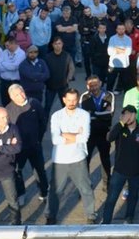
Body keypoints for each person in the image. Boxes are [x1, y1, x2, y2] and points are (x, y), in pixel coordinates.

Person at [45, 88, 95, 225]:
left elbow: (85, 137)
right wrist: (75, 135)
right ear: (64, 100)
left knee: (85, 189)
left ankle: (91, 215)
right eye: (69, 100)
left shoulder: (84, 115)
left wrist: (64, 134)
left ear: (77, 100)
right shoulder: (56, 116)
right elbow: (55, 140)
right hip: (60, 160)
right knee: (55, 191)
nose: (72, 103)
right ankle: (50, 216)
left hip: (78, 158)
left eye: (74, 100)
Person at [100, 105, 139, 224]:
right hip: (119, 171)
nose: (127, 117)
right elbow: (109, 138)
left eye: (130, 114)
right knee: (111, 198)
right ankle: (106, 222)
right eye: (125, 114)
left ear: (135, 115)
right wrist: (121, 123)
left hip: (135, 172)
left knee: (133, 197)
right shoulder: (119, 129)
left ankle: (129, 217)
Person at [5, 84, 49, 205]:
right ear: (11, 97)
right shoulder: (8, 110)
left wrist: (39, 138)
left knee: (40, 170)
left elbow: (42, 122)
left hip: (35, 145)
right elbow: (7, 130)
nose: (21, 96)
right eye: (17, 95)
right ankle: (21, 194)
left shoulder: (34, 103)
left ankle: (44, 193)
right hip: (19, 149)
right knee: (17, 171)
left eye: (22, 92)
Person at [80, 75, 114, 188]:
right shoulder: (84, 97)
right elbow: (83, 116)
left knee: (105, 160)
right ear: (87, 86)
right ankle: (86, 186)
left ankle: (107, 184)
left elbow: (110, 115)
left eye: (95, 85)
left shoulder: (110, 95)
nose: (94, 87)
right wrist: (101, 114)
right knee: (86, 161)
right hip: (89, 134)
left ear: (100, 83)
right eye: (91, 86)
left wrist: (93, 113)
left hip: (104, 133)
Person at [43, 37, 74, 117]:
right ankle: (43, 126)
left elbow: (71, 69)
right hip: (50, 87)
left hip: (63, 86)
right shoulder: (48, 57)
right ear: (53, 45)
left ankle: (67, 125)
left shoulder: (67, 56)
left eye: (59, 43)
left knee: (66, 106)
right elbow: (44, 71)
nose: (57, 45)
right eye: (56, 44)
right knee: (47, 107)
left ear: (62, 44)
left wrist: (68, 80)